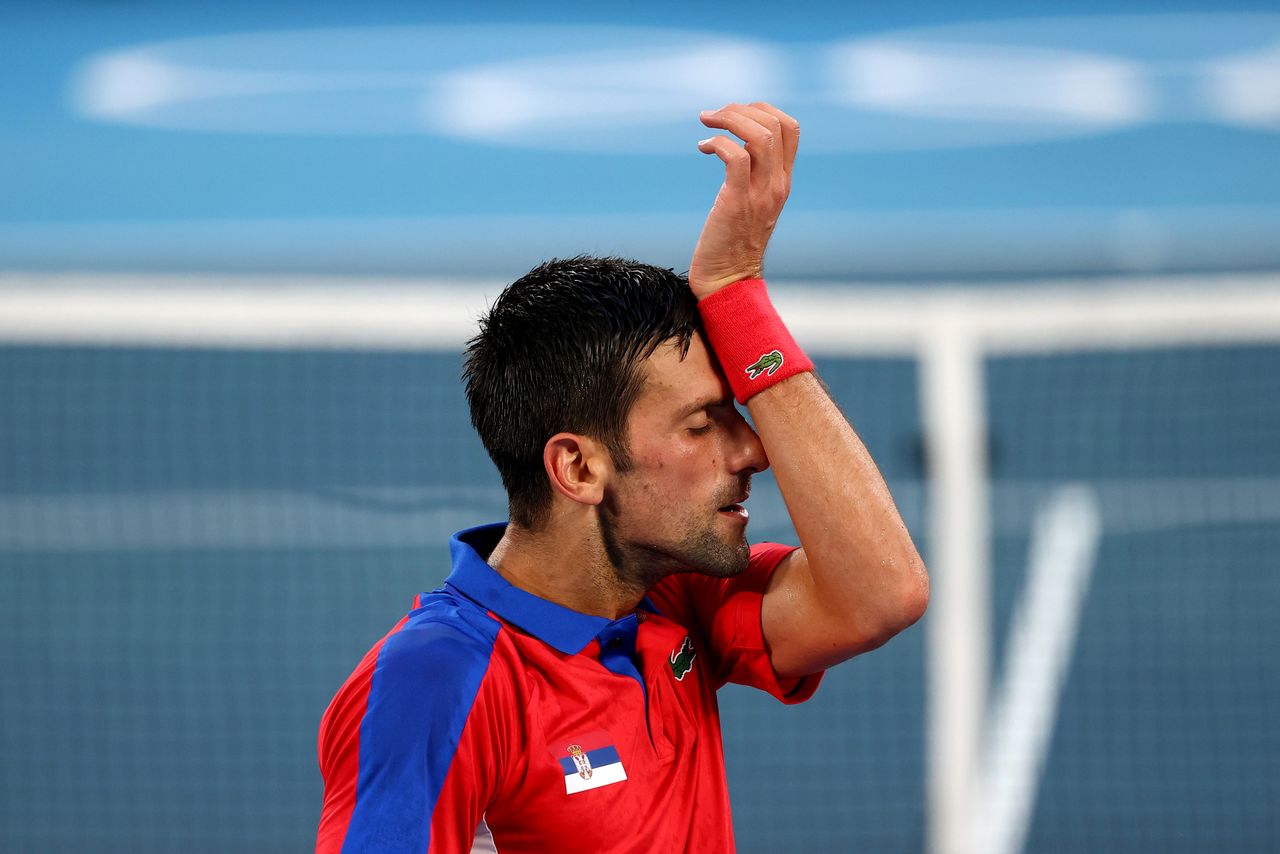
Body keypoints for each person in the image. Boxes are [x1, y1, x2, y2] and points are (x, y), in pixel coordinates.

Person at [315, 102, 928, 853]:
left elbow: (883, 592)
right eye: (704, 424)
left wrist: (736, 293)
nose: (753, 451)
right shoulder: (440, 679)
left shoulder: (674, 597)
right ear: (578, 467)